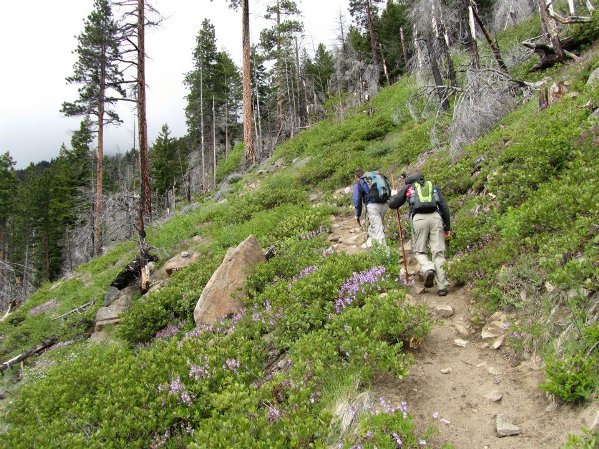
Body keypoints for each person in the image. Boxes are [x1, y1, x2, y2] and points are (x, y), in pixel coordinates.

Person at [388, 172, 451, 296]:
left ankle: (428, 268)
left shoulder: (409, 188)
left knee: (420, 251)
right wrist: (447, 227)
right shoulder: (432, 186)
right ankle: (442, 286)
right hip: (435, 218)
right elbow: (444, 206)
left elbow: (393, 204)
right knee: (438, 252)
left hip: (418, 220)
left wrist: (393, 195)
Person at [353, 168, 389, 248]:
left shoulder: (359, 182)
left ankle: (384, 255)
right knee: (377, 227)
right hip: (385, 203)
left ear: (356, 176)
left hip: (373, 206)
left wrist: (357, 214)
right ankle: (375, 246)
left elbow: (357, 200)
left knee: (378, 230)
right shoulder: (373, 178)